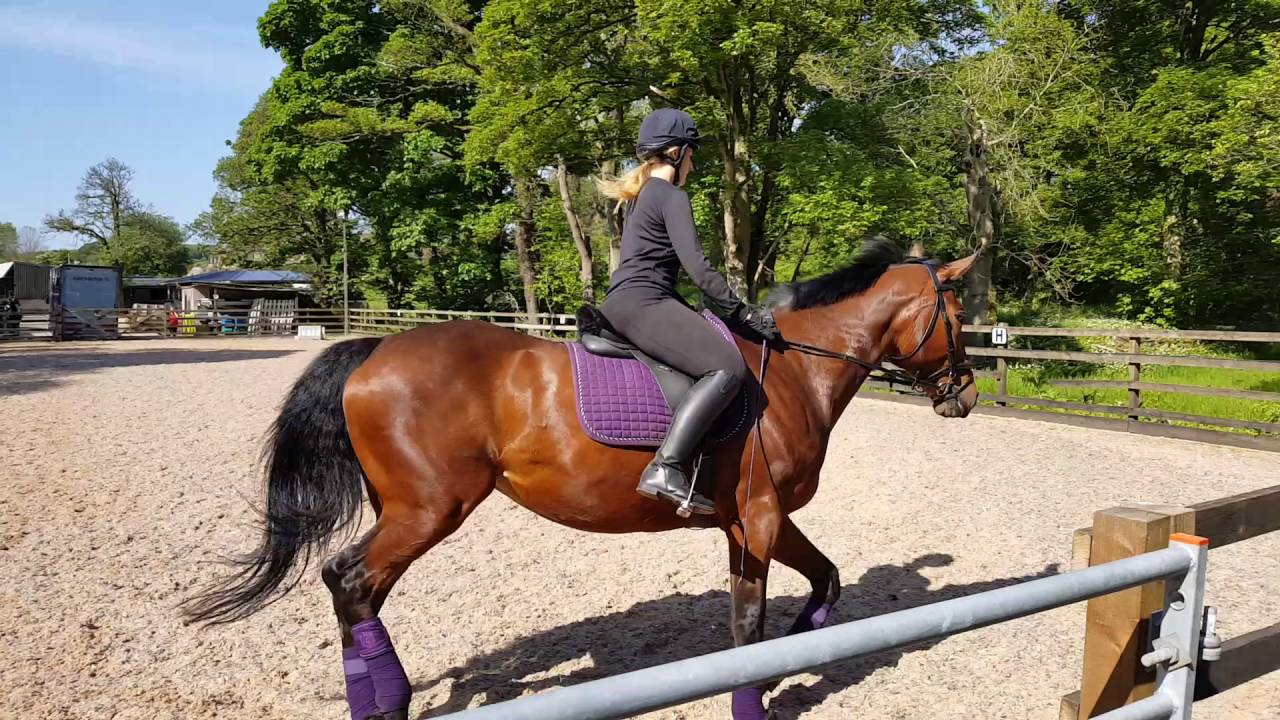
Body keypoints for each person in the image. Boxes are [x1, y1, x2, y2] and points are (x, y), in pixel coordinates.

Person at [599, 108, 781, 515]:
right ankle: (666, 466)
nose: (694, 165)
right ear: (677, 153)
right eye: (693, 156)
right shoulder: (669, 194)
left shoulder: (641, 196)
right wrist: (742, 313)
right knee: (728, 369)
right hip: (644, 302)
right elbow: (698, 267)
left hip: (627, 300)